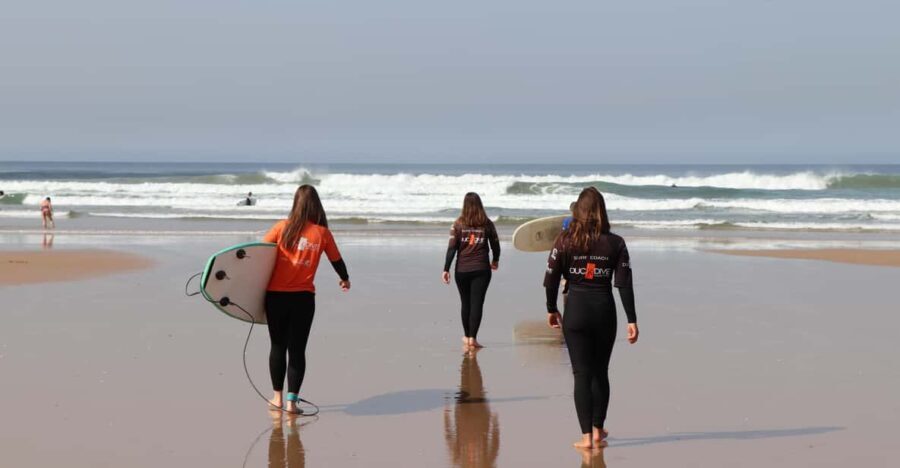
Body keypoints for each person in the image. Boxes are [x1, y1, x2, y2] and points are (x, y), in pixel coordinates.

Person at [544, 187, 639, 449]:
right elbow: (624, 284)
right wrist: (632, 319)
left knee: (581, 375)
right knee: (600, 373)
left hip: (576, 312)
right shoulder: (616, 243)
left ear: (578, 211)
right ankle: (598, 430)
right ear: (601, 212)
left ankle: (586, 438)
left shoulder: (564, 240)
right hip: (604, 312)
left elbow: (551, 278)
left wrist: (551, 308)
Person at [262, 185, 350, 414]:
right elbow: (336, 260)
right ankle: (292, 403)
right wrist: (345, 278)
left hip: (276, 297)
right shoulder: (322, 233)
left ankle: (277, 398)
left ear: (295, 204)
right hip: (303, 299)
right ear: (316, 206)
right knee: (298, 349)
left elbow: (258, 253)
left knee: (278, 346)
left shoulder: (282, 228)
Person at [442, 193, 500, 349]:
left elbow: (452, 248)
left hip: (462, 270)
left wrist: (446, 269)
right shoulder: (487, 224)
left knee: (465, 303)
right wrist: (495, 260)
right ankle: (473, 338)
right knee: (477, 304)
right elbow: (496, 244)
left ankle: (467, 337)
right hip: (481, 269)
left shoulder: (458, 224)